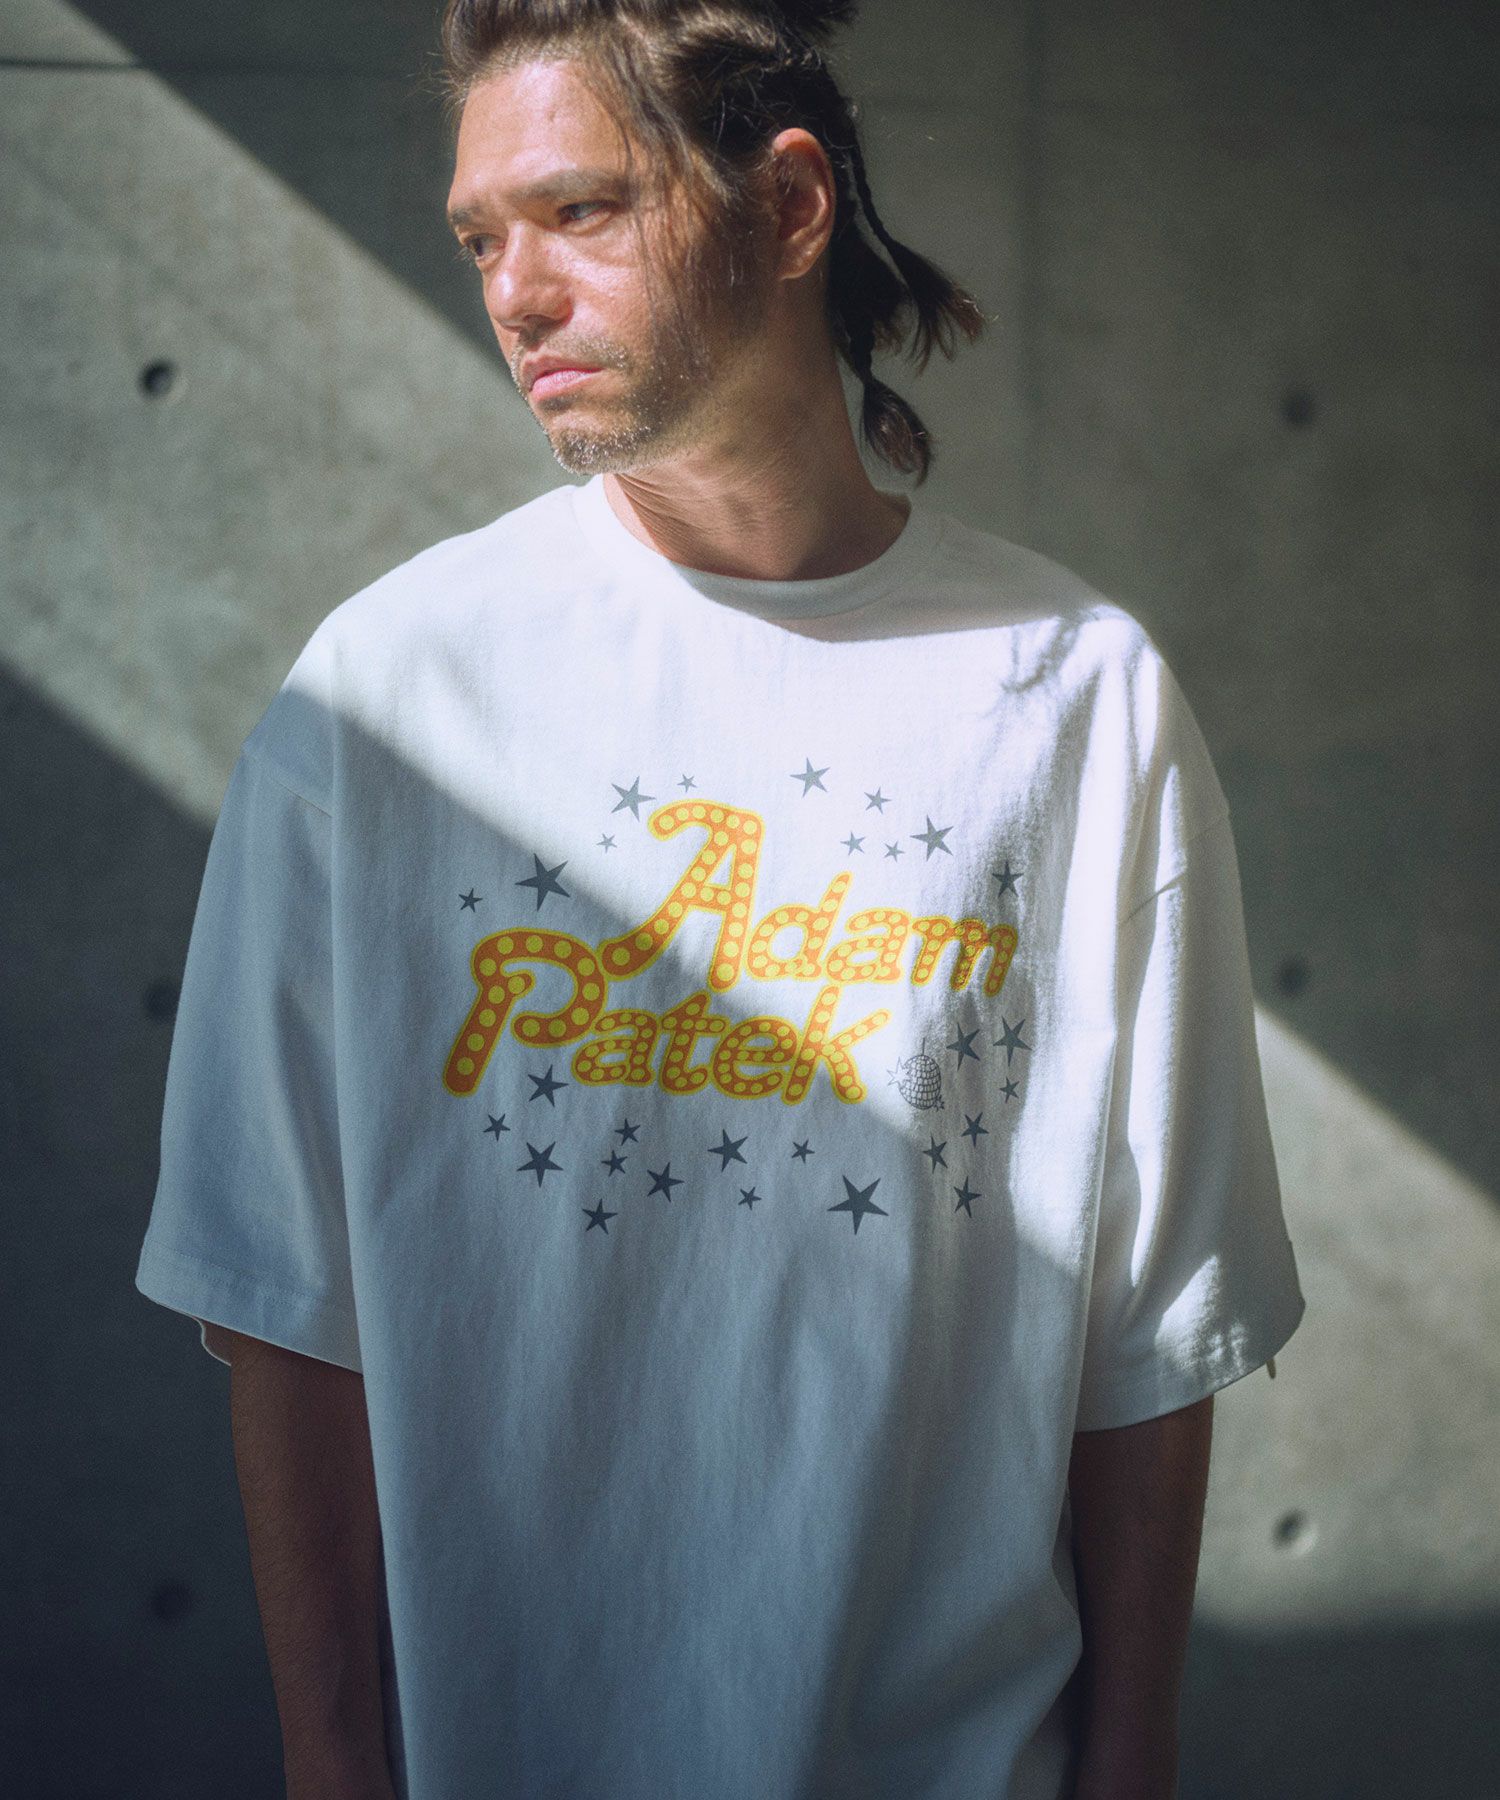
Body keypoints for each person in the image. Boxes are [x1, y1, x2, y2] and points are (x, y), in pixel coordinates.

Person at [133, 2, 1305, 1796]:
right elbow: (286, 1303)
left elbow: (1147, 1326)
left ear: (790, 205)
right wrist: (333, 1766)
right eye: (480, 238)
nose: (517, 292)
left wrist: (1131, 1757)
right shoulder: (382, 701)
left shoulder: (1076, 694)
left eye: (580, 210)